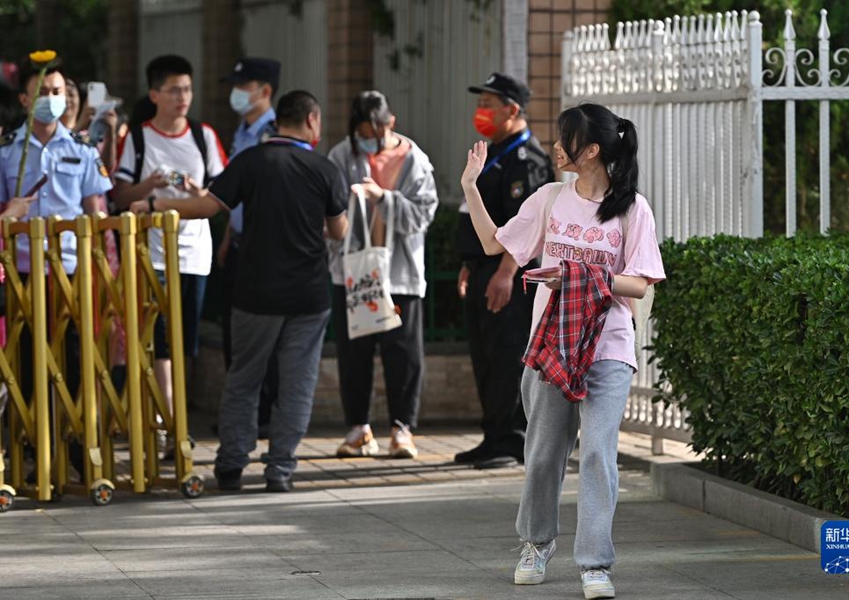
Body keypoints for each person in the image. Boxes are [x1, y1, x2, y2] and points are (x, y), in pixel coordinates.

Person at [459, 102, 665, 598]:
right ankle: (536, 542)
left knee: (597, 453)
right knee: (545, 453)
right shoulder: (549, 199)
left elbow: (638, 284)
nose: (556, 145)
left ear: (591, 150)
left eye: (565, 138)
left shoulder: (633, 208)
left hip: (608, 346)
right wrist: (470, 185)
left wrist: (578, 274)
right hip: (552, 345)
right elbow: (494, 245)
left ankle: (596, 563)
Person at [131, 90, 348, 492]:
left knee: (244, 377)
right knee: (297, 383)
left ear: (278, 120)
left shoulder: (252, 161)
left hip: (255, 293)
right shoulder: (325, 169)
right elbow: (338, 231)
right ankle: (280, 469)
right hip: (308, 296)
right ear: (313, 120)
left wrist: (155, 205)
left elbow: (207, 206)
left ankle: (230, 464)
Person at [0, 58, 113, 482]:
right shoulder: (8, 149)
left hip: (71, 271)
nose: (51, 99)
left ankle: (80, 449)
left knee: (76, 361)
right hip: (21, 272)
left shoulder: (83, 150)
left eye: (58, 91)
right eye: (43, 92)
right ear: (25, 100)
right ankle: (30, 448)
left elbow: (96, 213)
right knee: (25, 361)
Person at [113, 55, 227, 456]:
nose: (183, 97)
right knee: (160, 339)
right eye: (174, 89)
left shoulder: (204, 136)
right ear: (155, 94)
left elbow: (221, 196)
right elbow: (120, 197)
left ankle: (172, 419)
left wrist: (196, 192)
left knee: (186, 342)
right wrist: (150, 185)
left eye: (187, 89)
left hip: (195, 253)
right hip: (151, 255)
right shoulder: (140, 138)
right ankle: (170, 425)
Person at [327, 90, 438, 459]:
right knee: (354, 351)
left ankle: (401, 428)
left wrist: (382, 198)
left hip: (399, 273)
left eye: (372, 132)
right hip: (354, 271)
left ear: (390, 123)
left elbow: (424, 214)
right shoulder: (342, 155)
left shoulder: (415, 159)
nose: (366, 141)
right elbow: (328, 210)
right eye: (360, 133)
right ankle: (358, 428)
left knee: (403, 353)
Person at [455, 73, 554, 469]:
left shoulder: (526, 159)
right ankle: (492, 435)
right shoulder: (493, 151)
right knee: (486, 355)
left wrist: (505, 272)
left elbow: (525, 223)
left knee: (508, 354)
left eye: (488, 105)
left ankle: (513, 441)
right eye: (480, 104)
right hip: (484, 268)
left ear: (512, 110)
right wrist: (469, 264)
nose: (481, 113)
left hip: (509, 273)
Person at [217, 57, 280, 439]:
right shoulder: (241, 132)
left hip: (264, 246)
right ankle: (242, 413)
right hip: (239, 242)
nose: (237, 93)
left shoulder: (271, 133)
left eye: (245, 85)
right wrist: (227, 236)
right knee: (234, 331)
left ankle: (266, 412)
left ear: (265, 91)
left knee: (265, 334)